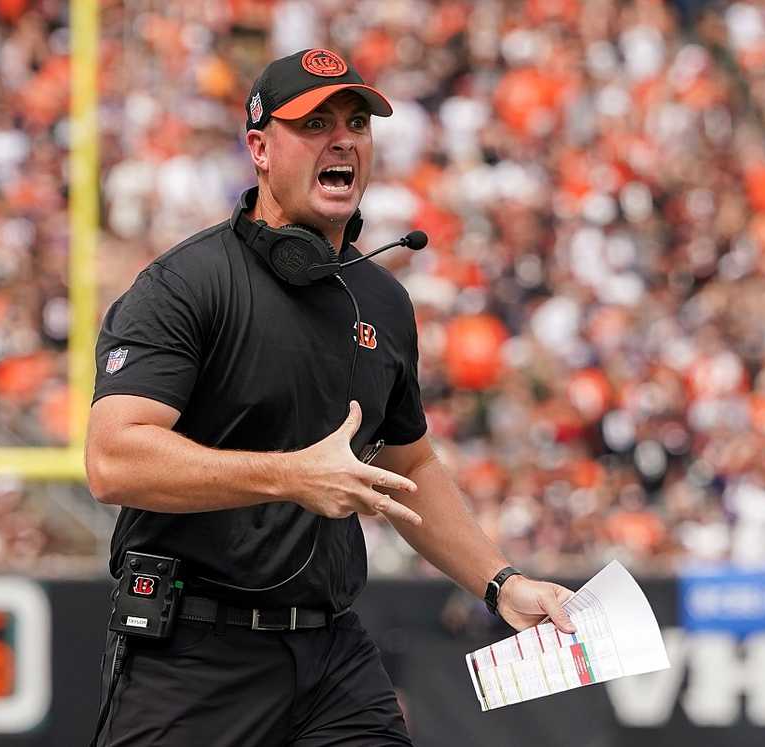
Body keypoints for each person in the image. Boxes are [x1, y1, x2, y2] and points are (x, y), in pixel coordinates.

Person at [85, 48, 576, 746]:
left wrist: (501, 583)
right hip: (194, 653)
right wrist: (291, 475)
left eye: (356, 123)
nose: (343, 139)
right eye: (314, 124)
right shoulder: (186, 284)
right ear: (259, 149)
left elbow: (410, 464)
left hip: (331, 653)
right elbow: (113, 460)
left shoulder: (382, 298)